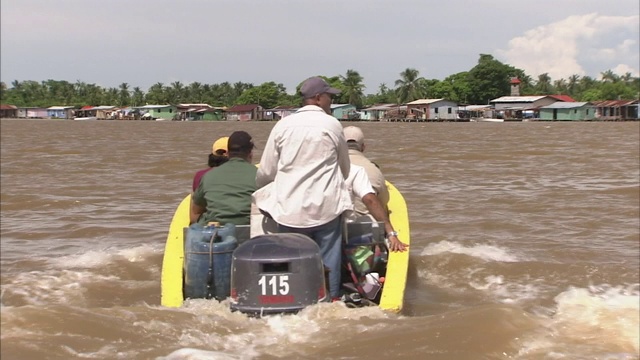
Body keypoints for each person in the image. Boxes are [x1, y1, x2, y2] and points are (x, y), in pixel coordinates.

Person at [253, 76, 352, 300]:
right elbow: (344, 169)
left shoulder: (283, 125)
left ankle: (294, 300)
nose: (331, 101)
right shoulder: (332, 125)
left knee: (293, 261)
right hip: (326, 207)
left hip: (289, 210)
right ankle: (330, 300)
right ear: (318, 98)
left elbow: (267, 171)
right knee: (329, 260)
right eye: (330, 96)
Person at [190, 131, 257, 226]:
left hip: (215, 235)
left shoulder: (208, 176)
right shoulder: (260, 175)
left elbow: (195, 214)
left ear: (228, 154)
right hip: (251, 231)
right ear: (250, 154)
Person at [346, 164, 408, 252]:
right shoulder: (355, 171)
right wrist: (391, 234)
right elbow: (370, 200)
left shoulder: (322, 170)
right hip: (341, 229)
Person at [343, 126, 390, 213]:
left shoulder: (329, 167)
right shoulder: (374, 169)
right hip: (365, 222)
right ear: (363, 147)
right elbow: (384, 201)